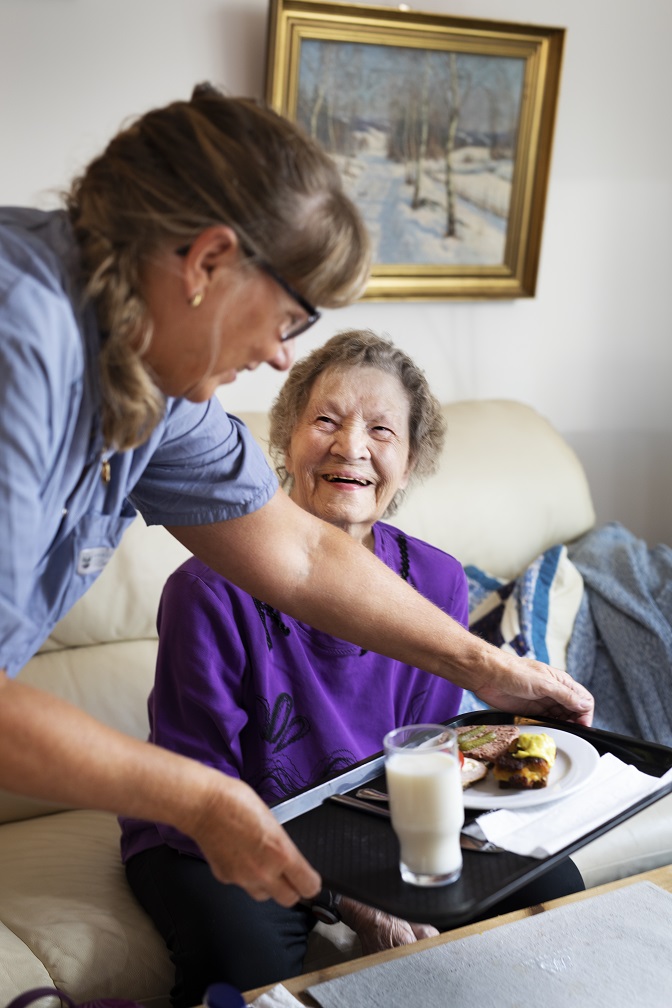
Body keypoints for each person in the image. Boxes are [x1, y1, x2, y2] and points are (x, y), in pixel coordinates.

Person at [0, 82, 593, 923]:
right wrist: (199, 800)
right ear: (208, 263)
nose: (281, 358)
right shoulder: (18, 338)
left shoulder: (151, 378)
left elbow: (306, 556)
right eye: (287, 318)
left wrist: (488, 668)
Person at [120, 330, 585, 1004]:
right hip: (213, 829)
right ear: (286, 439)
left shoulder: (436, 582)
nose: (351, 448)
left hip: (369, 824)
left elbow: (430, 756)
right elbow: (203, 790)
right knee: (247, 967)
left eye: (381, 430)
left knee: (552, 887)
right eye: (327, 421)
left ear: (411, 459)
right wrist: (354, 900)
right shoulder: (207, 590)